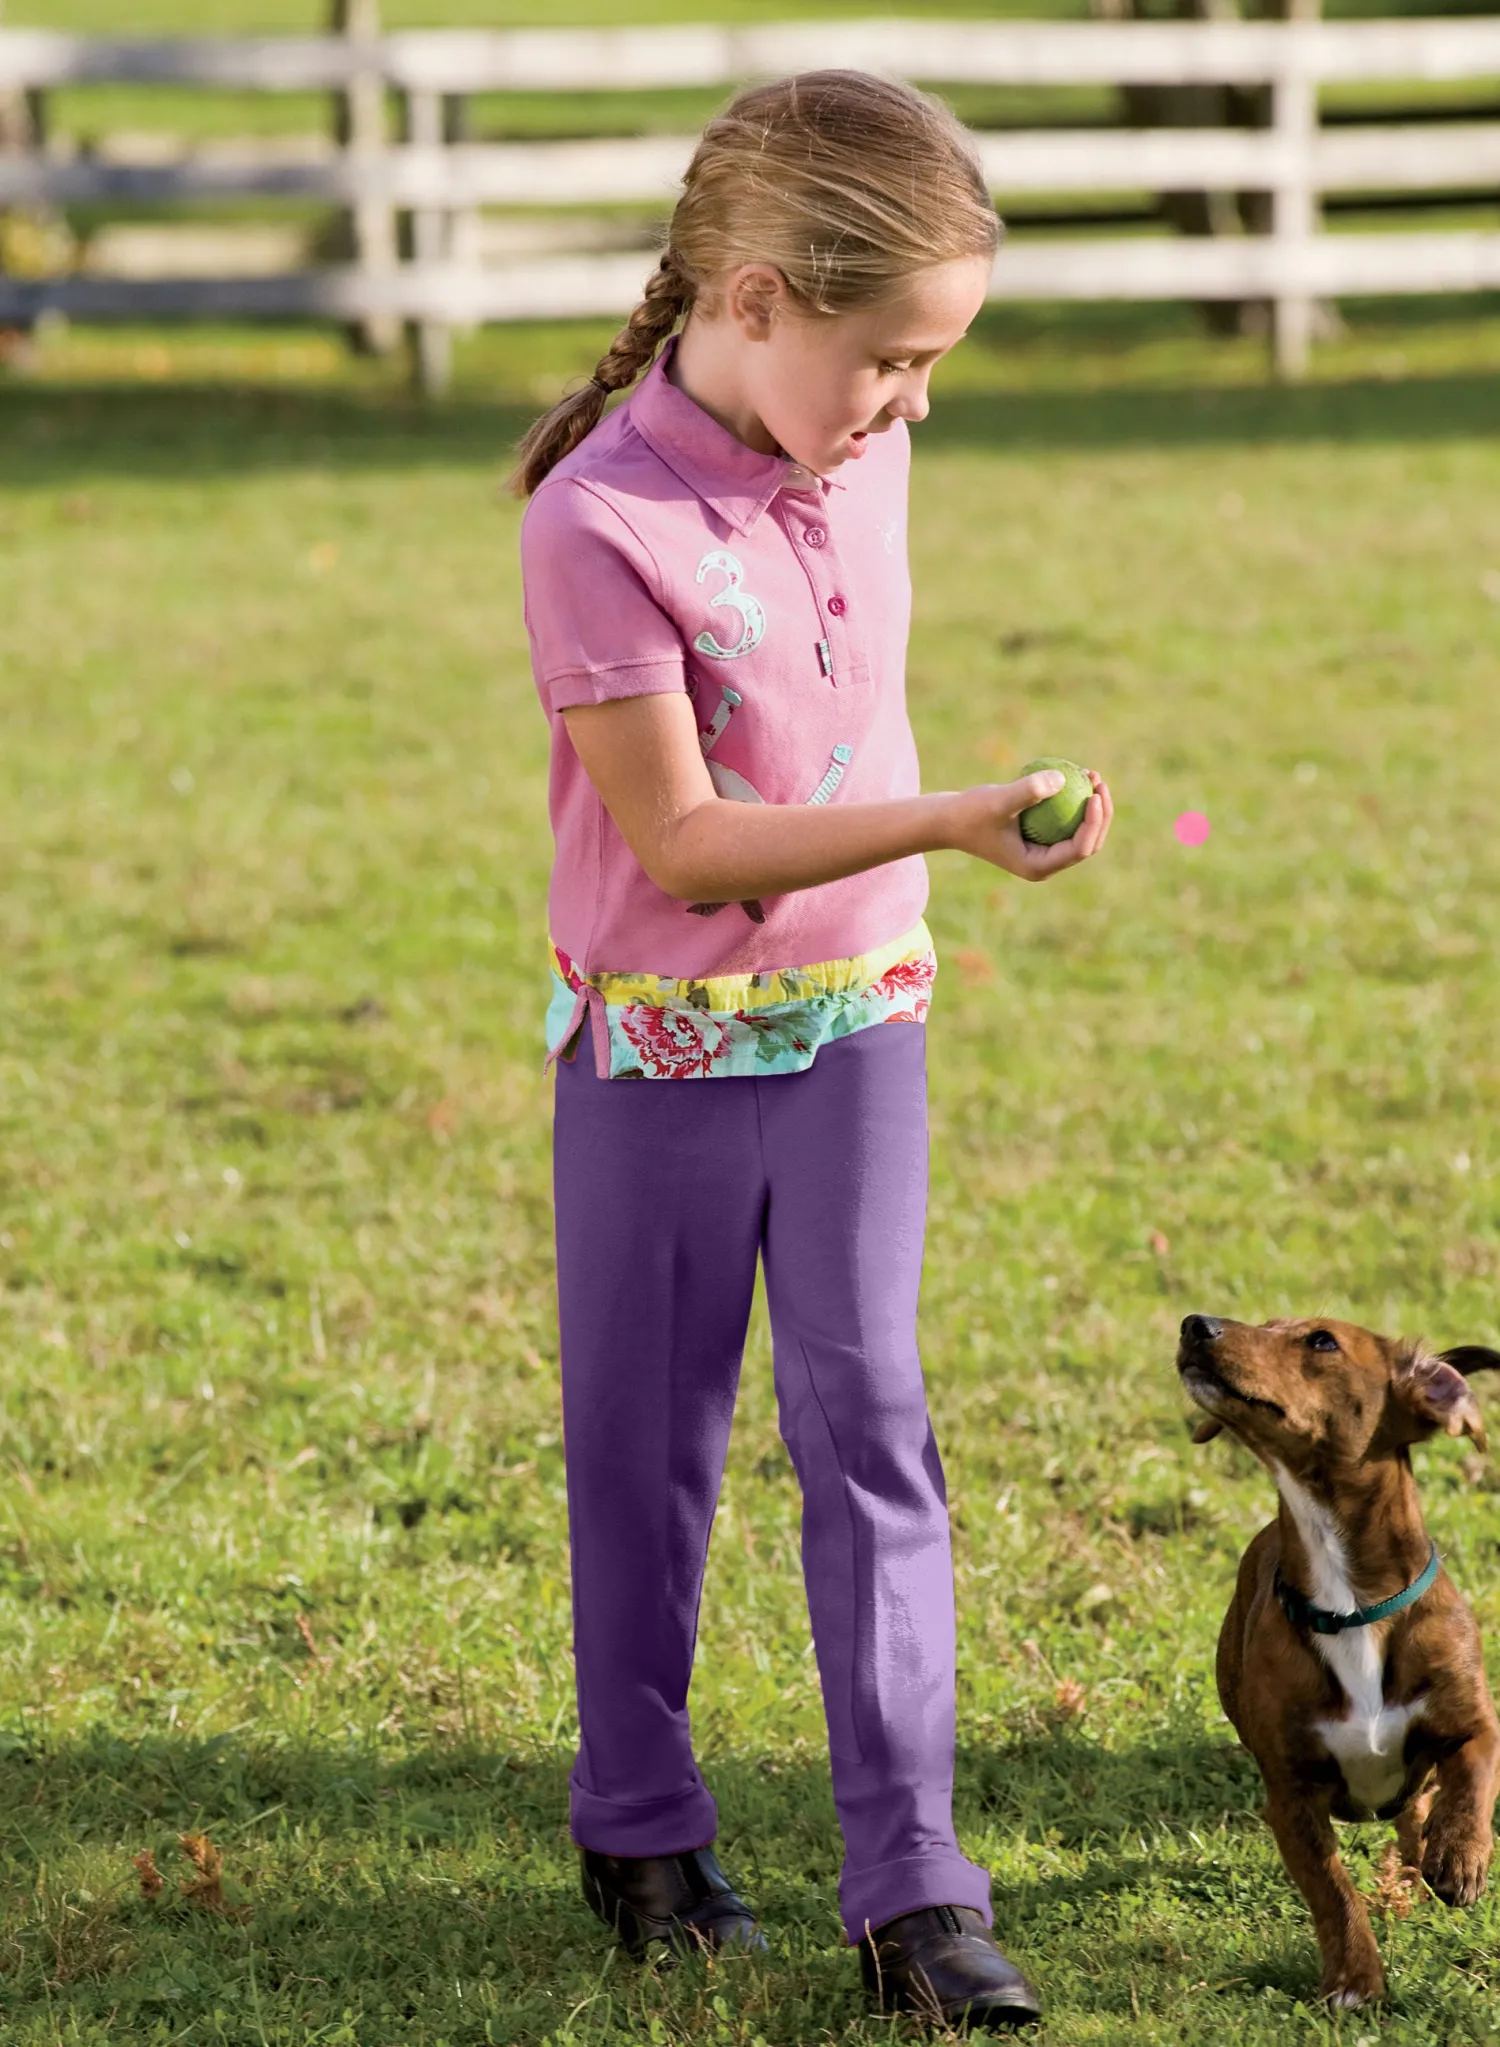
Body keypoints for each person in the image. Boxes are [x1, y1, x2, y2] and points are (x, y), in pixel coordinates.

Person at [510, 67, 1113, 2033]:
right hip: (657, 1059)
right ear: (758, 299)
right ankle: (640, 1826)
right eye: (895, 361)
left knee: (874, 1432)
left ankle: (916, 1889)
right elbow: (685, 845)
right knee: (649, 1451)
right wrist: (951, 820)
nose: (913, 406)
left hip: (861, 1030)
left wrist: (955, 837)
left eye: (936, 365)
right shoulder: (597, 521)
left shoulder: (854, 446)